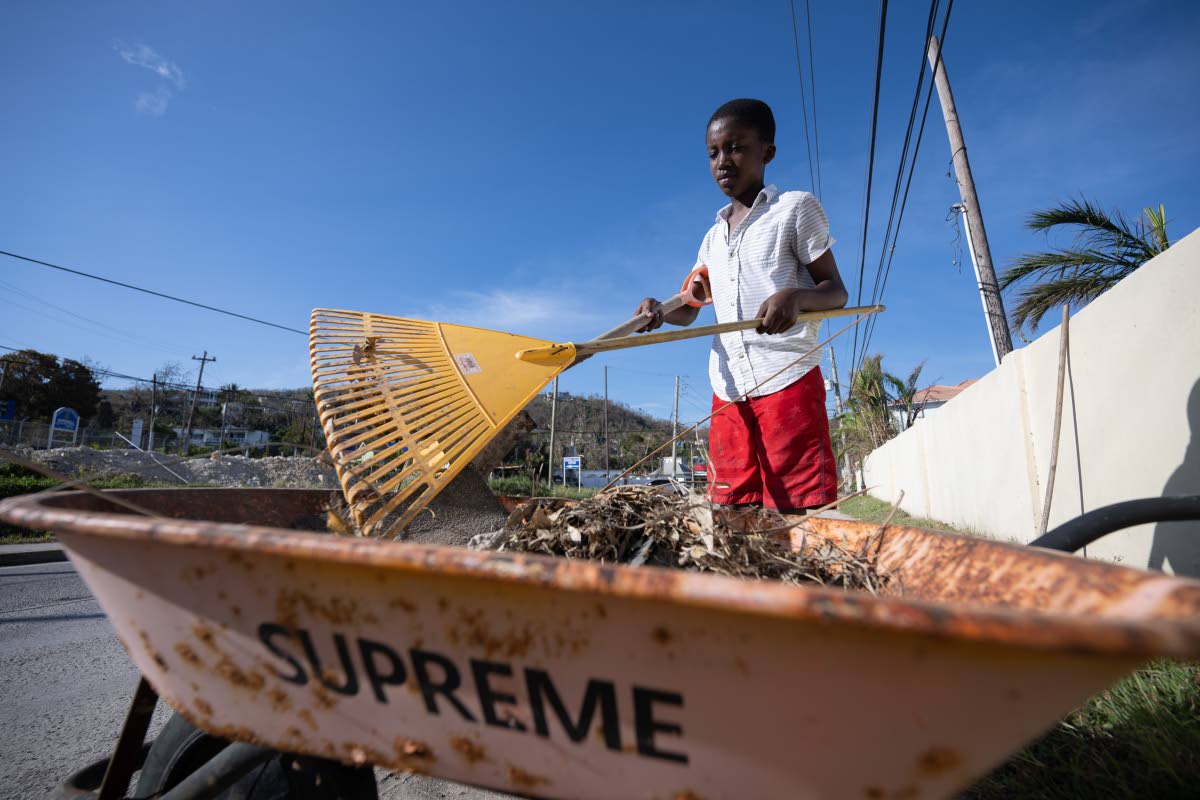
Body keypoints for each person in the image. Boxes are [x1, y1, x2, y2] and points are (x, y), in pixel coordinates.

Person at [635, 98, 848, 513]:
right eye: (713, 153)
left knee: (794, 510)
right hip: (728, 389)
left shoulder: (795, 209)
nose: (723, 161)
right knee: (732, 511)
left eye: (736, 147)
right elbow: (691, 307)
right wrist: (659, 311)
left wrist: (795, 298)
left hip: (787, 381)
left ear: (766, 152)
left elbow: (836, 291)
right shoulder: (713, 238)